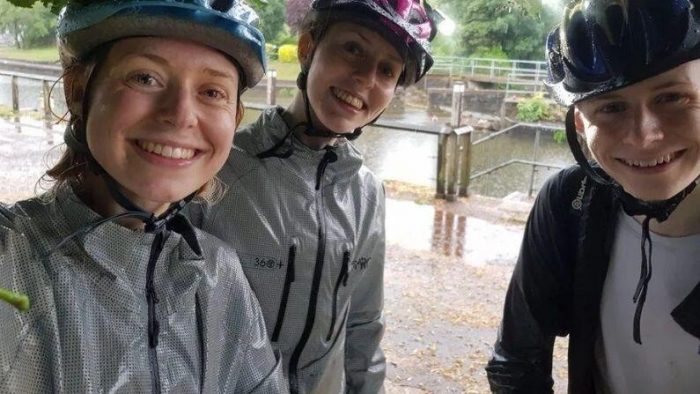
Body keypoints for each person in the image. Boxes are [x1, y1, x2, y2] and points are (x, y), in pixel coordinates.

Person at [0, 1, 288, 392]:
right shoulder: (11, 258)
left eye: (211, 91)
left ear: (234, 118)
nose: (181, 114)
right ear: (78, 92)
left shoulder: (220, 275)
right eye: (145, 78)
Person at [188, 0, 439, 392]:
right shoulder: (220, 167)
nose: (364, 78)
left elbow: (363, 324)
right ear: (308, 48)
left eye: (387, 70)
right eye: (352, 48)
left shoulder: (367, 193)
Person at [486, 1, 700, 393]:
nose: (644, 135)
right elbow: (517, 364)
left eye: (672, 98)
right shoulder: (569, 202)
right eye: (612, 107)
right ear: (581, 124)